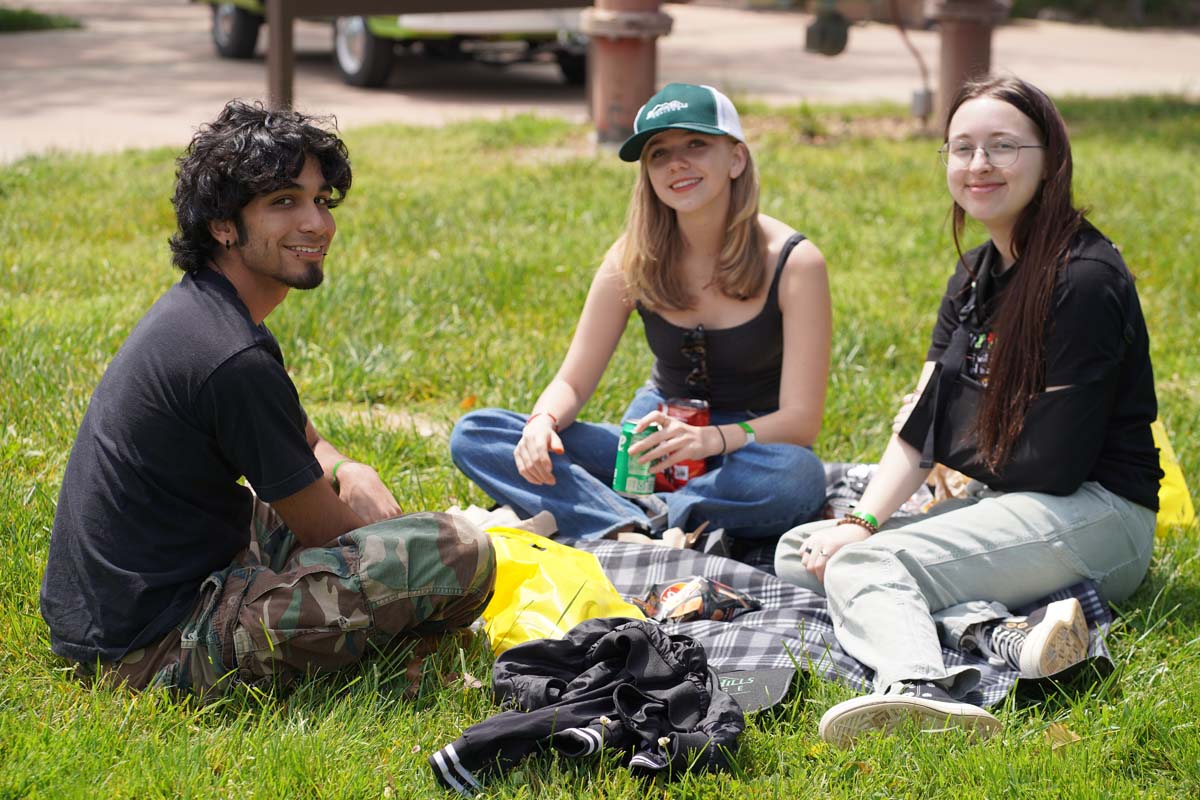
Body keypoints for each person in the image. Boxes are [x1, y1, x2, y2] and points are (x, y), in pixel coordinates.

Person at [39, 101, 496, 697]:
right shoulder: (233, 358)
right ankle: (387, 656)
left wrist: (348, 467)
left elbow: (304, 437)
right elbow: (328, 532)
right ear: (224, 225)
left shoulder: (209, 310)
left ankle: (382, 637)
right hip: (149, 648)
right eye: (284, 202)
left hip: (119, 605)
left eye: (321, 200)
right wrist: (395, 546)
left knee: (393, 534)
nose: (318, 224)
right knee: (461, 550)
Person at [775, 75, 1162, 747]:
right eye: (962, 148)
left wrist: (945, 437)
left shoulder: (1084, 280)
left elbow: (1054, 462)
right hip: (1010, 495)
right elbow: (920, 427)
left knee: (863, 567)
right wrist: (864, 519)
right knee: (803, 551)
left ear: (1050, 160)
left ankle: (917, 689)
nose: (979, 165)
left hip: (1097, 513)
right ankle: (999, 632)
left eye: (1003, 146)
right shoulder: (976, 273)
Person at [450, 83, 831, 546]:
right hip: (650, 448)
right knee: (478, 432)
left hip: (748, 453)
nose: (677, 164)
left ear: (736, 159)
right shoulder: (632, 257)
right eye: (658, 153)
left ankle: (625, 516)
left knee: (799, 479)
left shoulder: (794, 262)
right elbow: (572, 382)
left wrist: (712, 439)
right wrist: (541, 423)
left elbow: (801, 420)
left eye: (696, 144)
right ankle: (638, 523)